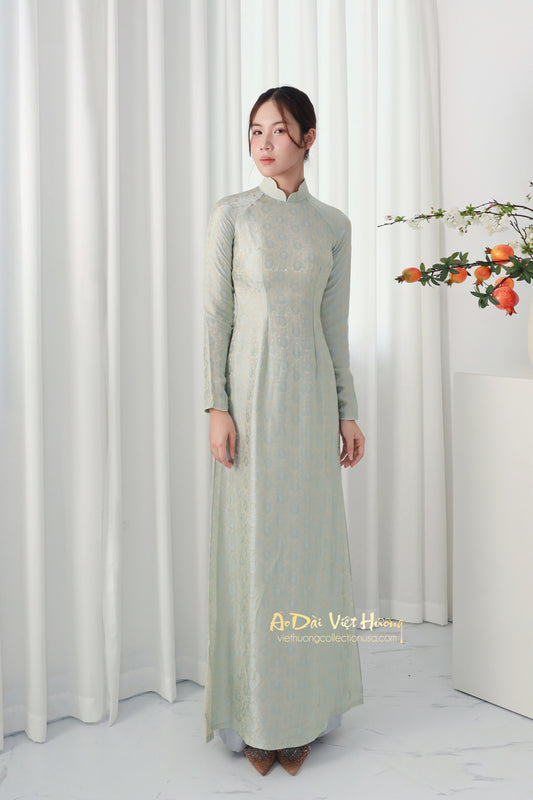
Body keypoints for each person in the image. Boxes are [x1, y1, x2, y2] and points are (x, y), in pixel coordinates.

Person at [202, 85, 365, 776]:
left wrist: (346, 410)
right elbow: (216, 315)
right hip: (249, 402)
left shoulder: (333, 225)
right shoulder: (233, 215)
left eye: (278, 129)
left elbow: (335, 325)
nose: (264, 143)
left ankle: (300, 715)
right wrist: (215, 405)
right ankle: (256, 718)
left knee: (304, 552)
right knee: (253, 551)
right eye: (255, 131)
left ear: (308, 137)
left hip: (309, 403)